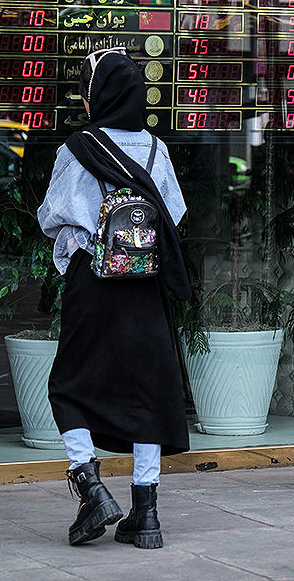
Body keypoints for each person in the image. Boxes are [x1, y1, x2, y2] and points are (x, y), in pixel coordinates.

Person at [37, 48, 190, 549]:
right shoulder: (156, 150)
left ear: (97, 94)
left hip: (94, 284)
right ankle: (146, 513)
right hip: (146, 285)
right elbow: (175, 214)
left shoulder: (77, 148)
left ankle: (90, 486)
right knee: (145, 391)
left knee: (70, 386)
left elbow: (52, 216)